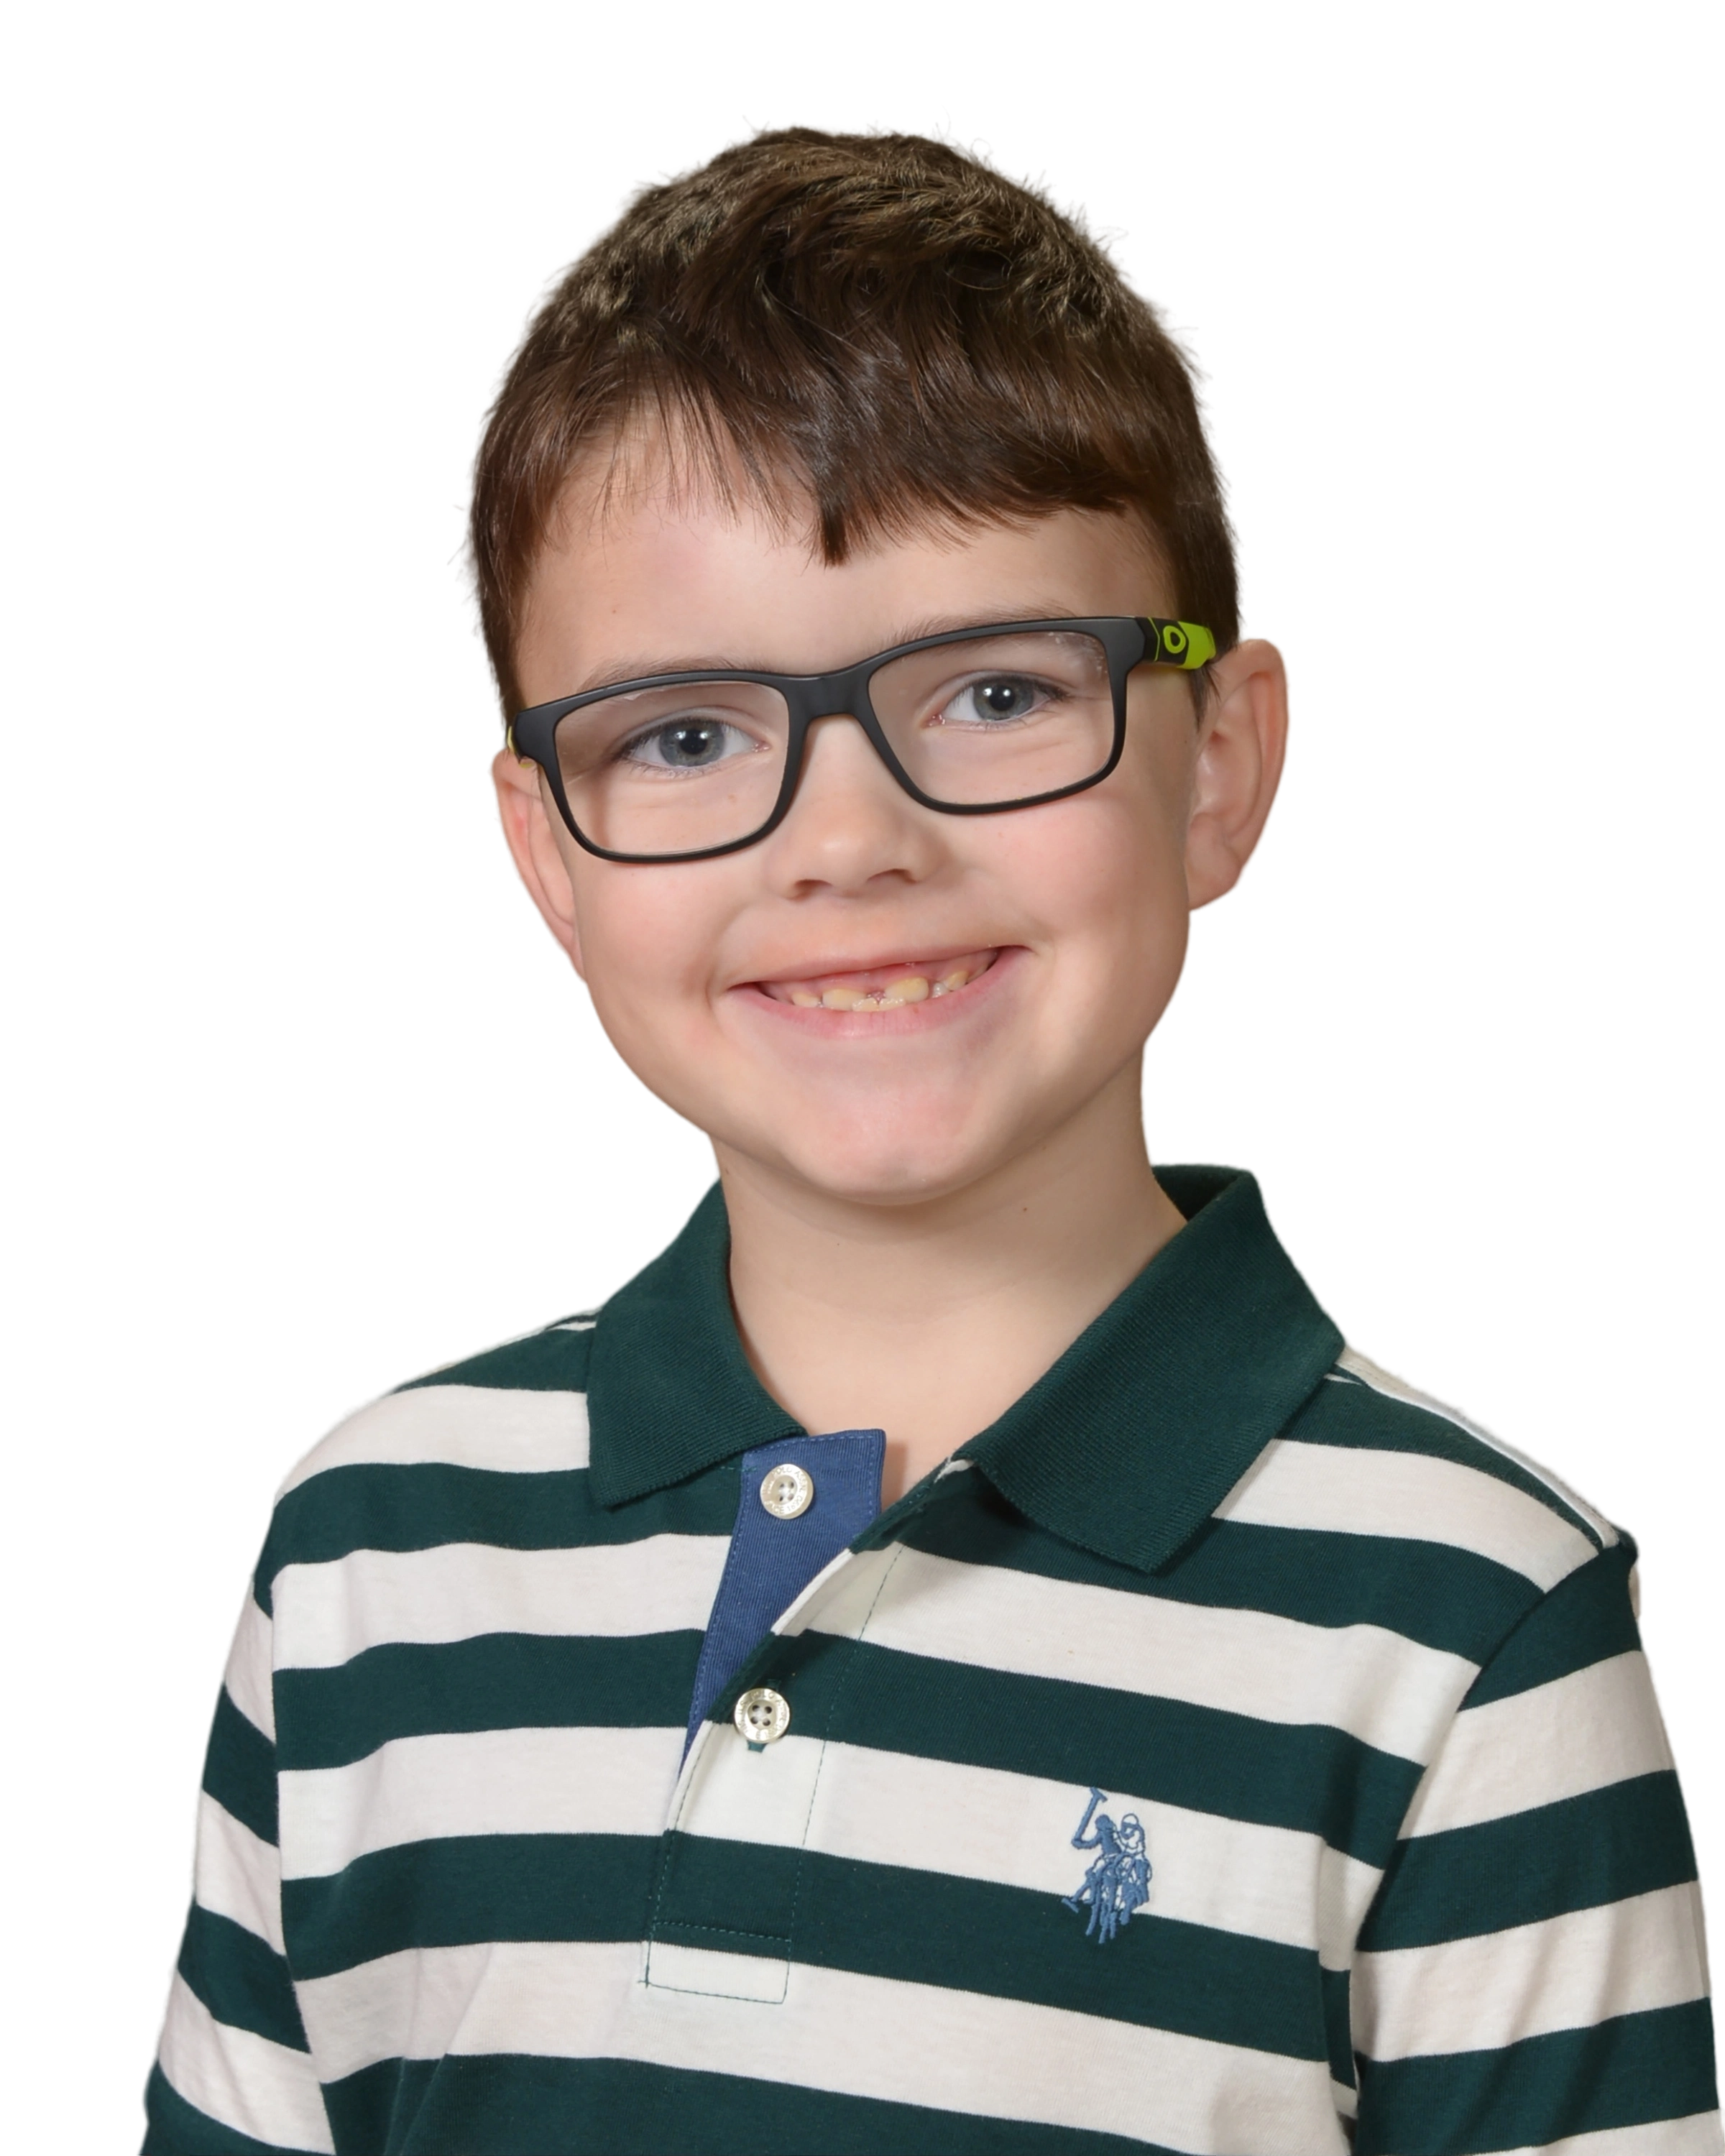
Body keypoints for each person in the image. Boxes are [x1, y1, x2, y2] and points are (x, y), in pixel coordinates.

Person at [137, 118, 1721, 2155]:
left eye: (994, 693)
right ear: (544, 856)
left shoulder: (1471, 1620)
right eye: (684, 735)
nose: (848, 843)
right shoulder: (370, 1554)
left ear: (1220, 762)